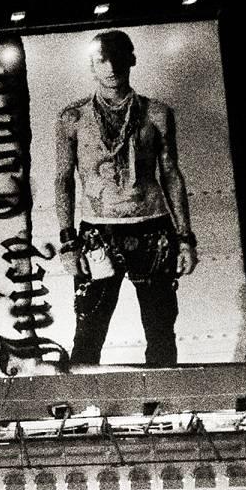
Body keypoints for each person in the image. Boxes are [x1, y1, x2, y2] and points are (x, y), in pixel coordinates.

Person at [54, 29, 198, 369]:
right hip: (98, 234)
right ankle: (84, 412)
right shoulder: (72, 118)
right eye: (103, 59)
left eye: (119, 57)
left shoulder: (157, 113)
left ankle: (165, 410)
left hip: (152, 227)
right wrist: (67, 242)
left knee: (161, 328)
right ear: (91, 65)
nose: (112, 67)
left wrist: (185, 238)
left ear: (131, 59)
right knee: (88, 331)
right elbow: (63, 180)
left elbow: (171, 174)